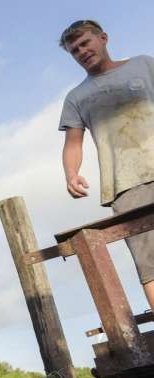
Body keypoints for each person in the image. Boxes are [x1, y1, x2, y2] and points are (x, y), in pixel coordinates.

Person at [59, 20, 154, 311]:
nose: (82, 51)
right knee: (149, 264)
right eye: (75, 50)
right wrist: (71, 173)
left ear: (103, 38)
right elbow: (73, 142)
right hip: (126, 186)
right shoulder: (76, 97)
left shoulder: (143, 65)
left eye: (85, 43)